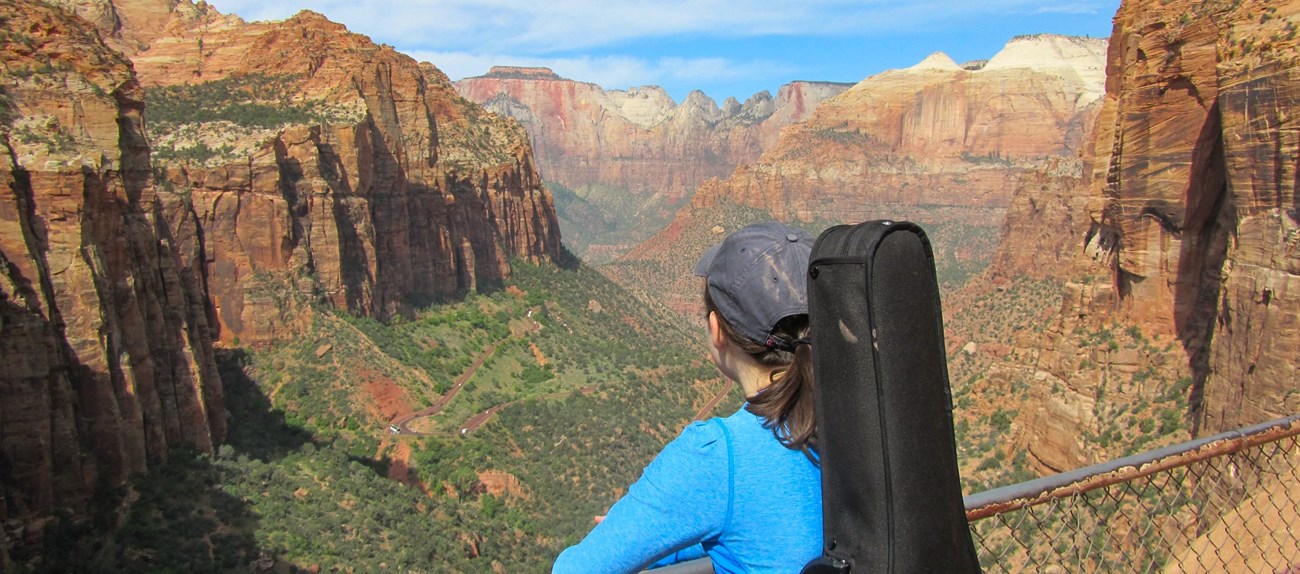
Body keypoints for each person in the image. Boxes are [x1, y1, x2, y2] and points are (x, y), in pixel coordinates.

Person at [552, 221, 822, 574]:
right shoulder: (859, 413)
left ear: (716, 329)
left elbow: (575, 570)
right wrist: (659, 534)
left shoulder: (717, 454)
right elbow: (765, 522)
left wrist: (640, 532)